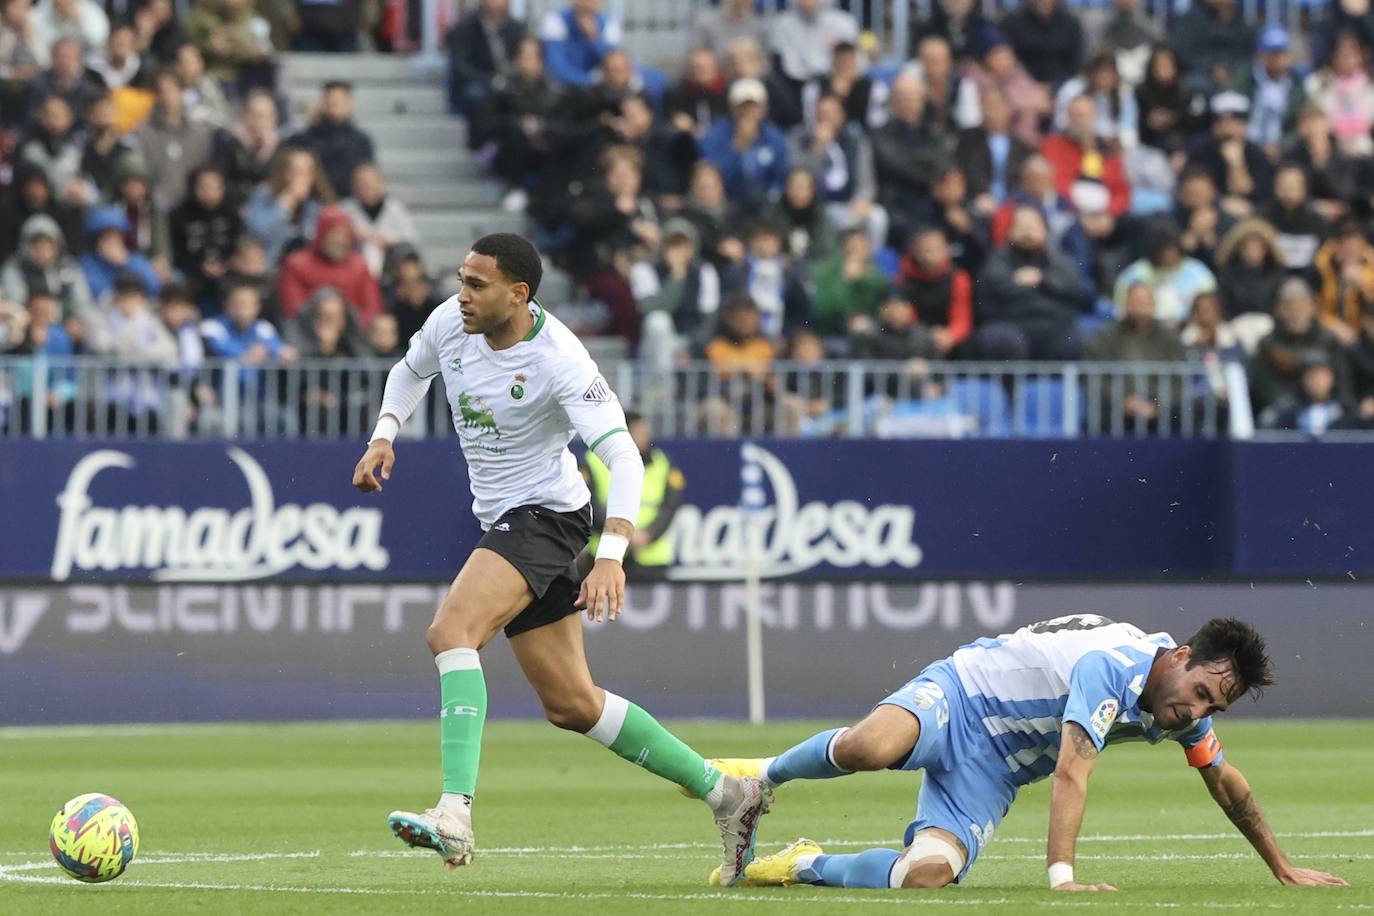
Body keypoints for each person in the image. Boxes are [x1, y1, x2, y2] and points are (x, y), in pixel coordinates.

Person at [350, 233, 771, 881]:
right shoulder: (450, 323)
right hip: (507, 521)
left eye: (477, 285)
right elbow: (409, 372)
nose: (462, 294)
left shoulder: (560, 359)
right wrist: (385, 434)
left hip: (550, 518)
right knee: (573, 703)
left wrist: (613, 553)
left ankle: (454, 813)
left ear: (518, 295)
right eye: (462, 279)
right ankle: (727, 794)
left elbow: (624, 455)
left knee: (450, 633)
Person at [704, 616, 1349, 894]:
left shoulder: (1174, 702)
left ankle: (800, 865)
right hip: (962, 695)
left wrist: (1281, 866)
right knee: (872, 744)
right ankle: (761, 779)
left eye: (1214, 708)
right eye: (1203, 694)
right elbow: (1071, 772)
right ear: (1180, 656)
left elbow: (1227, 782)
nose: (1199, 713)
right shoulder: (1114, 666)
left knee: (927, 876)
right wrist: (1062, 881)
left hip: (993, 772)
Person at [583, 411, 683, 580]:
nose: (646, 436)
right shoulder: (592, 461)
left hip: (651, 558)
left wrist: (648, 534)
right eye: (640, 432)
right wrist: (624, 534)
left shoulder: (663, 463)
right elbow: (588, 505)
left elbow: (670, 507)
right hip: (605, 555)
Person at [276, 206, 381, 325]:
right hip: (308, 335)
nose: (340, 240)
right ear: (322, 232)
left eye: (345, 235)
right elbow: (293, 310)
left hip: (353, 335)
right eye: (335, 233)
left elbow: (372, 309)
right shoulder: (295, 265)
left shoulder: (360, 266)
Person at [698, 77, 789, 207]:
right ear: (732, 108)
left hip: (765, 204)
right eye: (742, 106)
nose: (748, 111)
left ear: (763, 108)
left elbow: (780, 176)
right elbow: (711, 172)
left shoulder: (774, 137)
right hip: (727, 203)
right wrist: (738, 145)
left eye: (753, 106)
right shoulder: (715, 134)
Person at [290, 81, 376, 206]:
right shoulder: (306, 138)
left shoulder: (361, 141)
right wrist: (313, 124)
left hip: (350, 205)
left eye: (340, 100)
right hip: (313, 204)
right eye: (330, 100)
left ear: (349, 104)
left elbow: (366, 176)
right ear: (322, 103)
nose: (334, 104)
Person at [444, 0, 524, 123]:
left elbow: (522, 60)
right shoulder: (465, 27)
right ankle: (480, 140)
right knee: (477, 95)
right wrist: (490, 81)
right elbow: (460, 68)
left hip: (508, 81)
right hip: (476, 83)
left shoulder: (516, 28)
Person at [1001, 0, 1083, 89]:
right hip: (1020, 84)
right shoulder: (1012, 22)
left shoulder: (1071, 24)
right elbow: (1008, 60)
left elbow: (1076, 63)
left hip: (1062, 85)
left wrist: (1053, 86)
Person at [538, 0, 620, 88]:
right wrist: (589, 81)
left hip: (597, 89)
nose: (588, 3)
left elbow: (613, 64)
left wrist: (594, 39)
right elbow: (556, 67)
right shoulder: (555, 21)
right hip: (563, 87)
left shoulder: (609, 26)